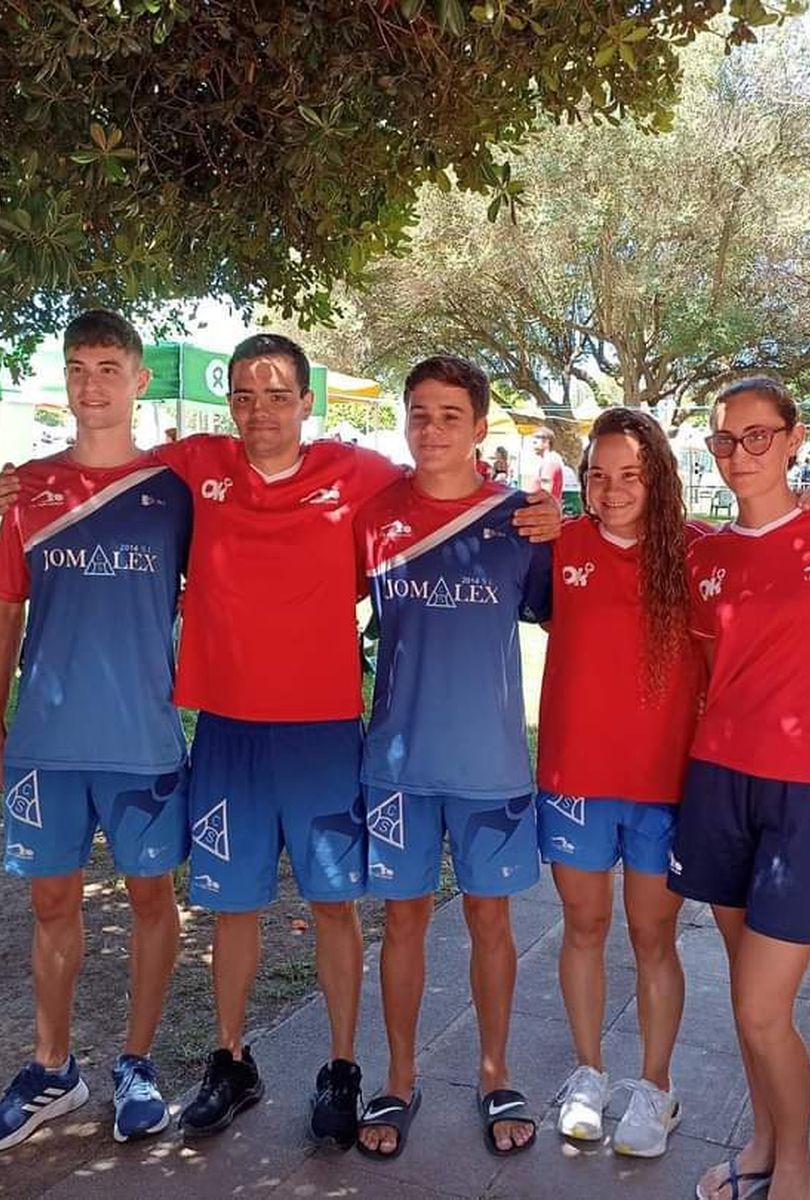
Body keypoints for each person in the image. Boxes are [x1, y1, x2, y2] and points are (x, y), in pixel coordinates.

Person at [0, 335, 561, 1150]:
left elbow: (440, 490)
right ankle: (231, 1061)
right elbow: (109, 469)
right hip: (225, 726)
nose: (260, 411)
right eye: (245, 396)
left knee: (333, 904)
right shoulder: (191, 465)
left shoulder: (360, 477)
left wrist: (538, 511)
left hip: (323, 731)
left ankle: (342, 1069)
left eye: (277, 394)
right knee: (233, 905)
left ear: (305, 401)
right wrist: (20, 482)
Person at [0, 311, 193, 1153]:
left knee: (149, 900)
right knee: (52, 903)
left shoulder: (174, 489)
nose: (91, 383)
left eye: (108, 367)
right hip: (47, 745)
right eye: (77, 368)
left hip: (143, 740)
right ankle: (53, 1071)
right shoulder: (28, 491)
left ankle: (137, 1063)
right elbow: (2, 613)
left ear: (138, 381)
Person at [676, 376, 810, 1200]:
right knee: (743, 987)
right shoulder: (707, 556)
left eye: (757, 436)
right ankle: (761, 1143)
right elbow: (710, 669)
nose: (739, 455)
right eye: (724, 441)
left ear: (794, 439)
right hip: (720, 781)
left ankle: (797, 1172)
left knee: (764, 1006)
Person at [353, 355, 552, 1161]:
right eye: (418, 413)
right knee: (402, 921)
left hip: (491, 766)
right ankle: (399, 1077)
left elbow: (582, 613)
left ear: (478, 427)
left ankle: (495, 1070)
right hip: (396, 762)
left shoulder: (522, 523)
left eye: (447, 415)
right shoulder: (374, 517)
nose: (430, 429)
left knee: (489, 921)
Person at [538, 407, 705, 1158]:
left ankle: (655, 1088)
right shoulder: (559, 545)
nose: (612, 490)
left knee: (651, 935)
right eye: (597, 476)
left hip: (664, 785)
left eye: (630, 474)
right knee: (584, 927)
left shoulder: (698, 555)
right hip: (577, 775)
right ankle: (588, 1074)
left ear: (658, 477)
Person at [521, 426, 566, 503]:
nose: (533, 446)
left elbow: (546, 492)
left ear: (546, 442)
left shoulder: (550, 461)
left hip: (543, 509)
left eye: (535, 443)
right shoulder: (548, 460)